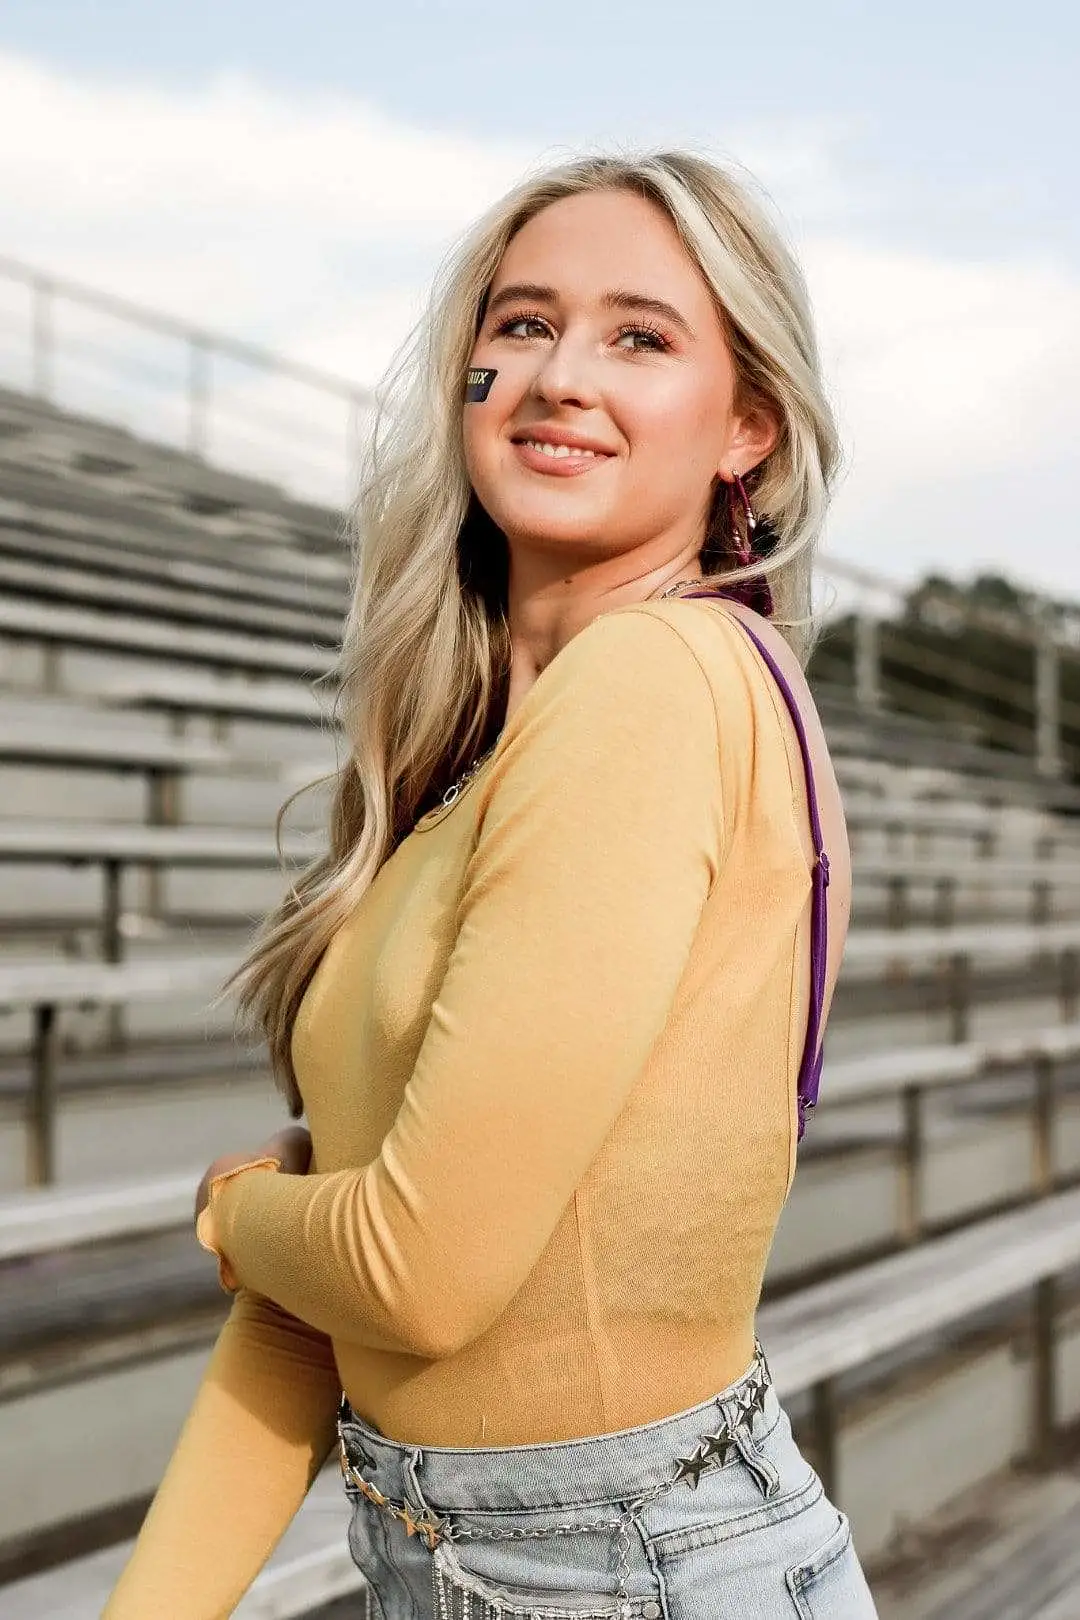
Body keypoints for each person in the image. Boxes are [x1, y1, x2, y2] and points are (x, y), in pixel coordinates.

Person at [104, 150, 877, 1618]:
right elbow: (312, 1318)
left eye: (639, 338)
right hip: (477, 1561)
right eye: (520, 325)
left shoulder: (652, 683)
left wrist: (228, 1210)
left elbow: (408, 1269)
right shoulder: (479, 752)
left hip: (622, 1574)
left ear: (749, 432)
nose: (556, 376)